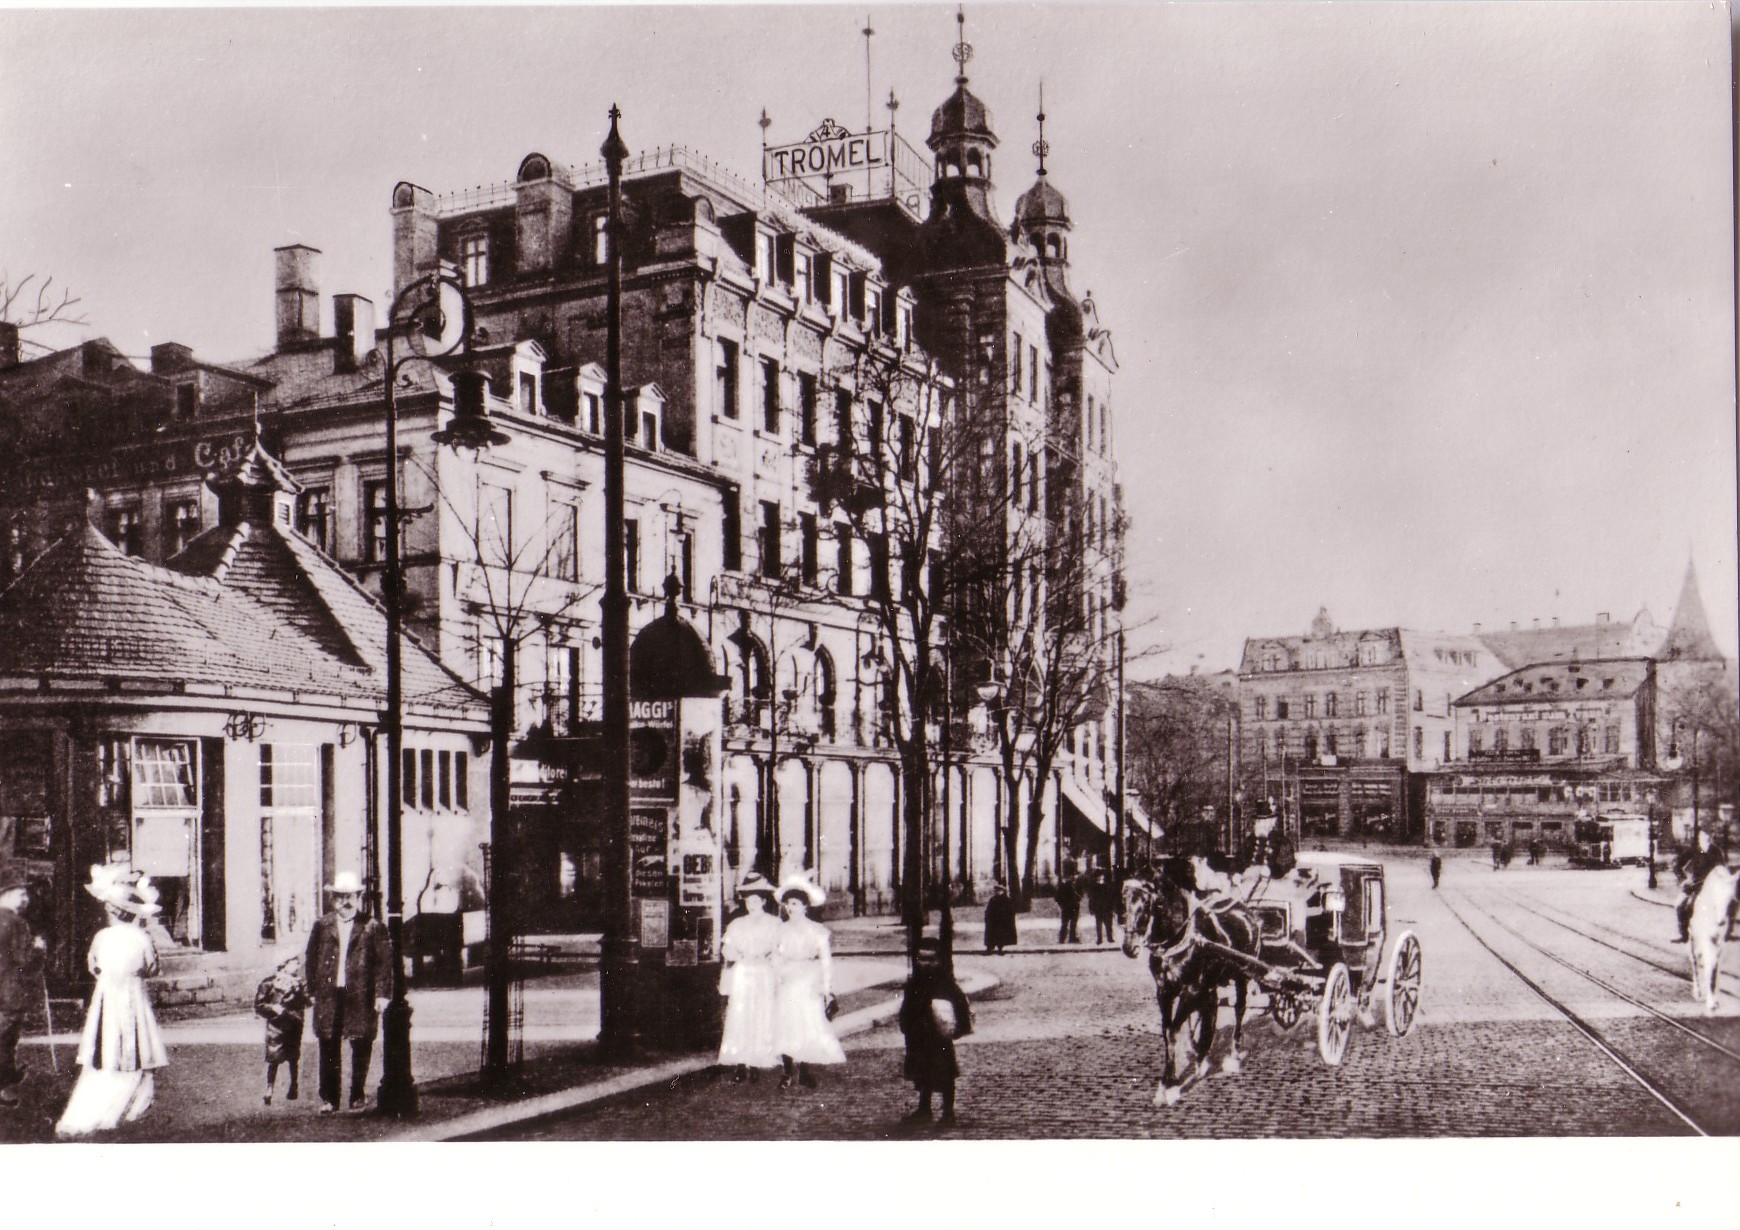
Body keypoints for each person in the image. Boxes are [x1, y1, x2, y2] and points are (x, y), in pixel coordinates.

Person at [55, 865, 169, 1137]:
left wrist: (108, 974)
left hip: (107, 991)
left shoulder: (101, 937)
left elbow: (93, 967)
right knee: (134, 1030)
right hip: (132, 990)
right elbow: (152, 968)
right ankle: (128, 1081)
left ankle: (108, 1065)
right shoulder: (142, 937)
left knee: (106, 1030)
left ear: (112, 912)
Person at [303, 870, 392, 1114]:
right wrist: (311, 990)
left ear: (359, 896)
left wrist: (382, 995)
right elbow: (310, 959)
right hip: (330, 995)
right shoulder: (322, 925)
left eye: (350, 895)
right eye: (340, 896)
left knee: (361, 1043)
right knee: (328, 1045)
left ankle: (357, 1096)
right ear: (333, 899)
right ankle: (329, 1099)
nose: (345, 901)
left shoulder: (372, 927)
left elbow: (384, 963)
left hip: (360, 995)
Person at [771, 873, 845, 1089]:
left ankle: (804, 1070)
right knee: (785, 1022)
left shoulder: (816, 930)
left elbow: (825, 961)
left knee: (806, 1022)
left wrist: (826, 988)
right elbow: (775, 953)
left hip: (808, 978)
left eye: (795, 904)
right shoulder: (780, 930)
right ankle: (786, 1071)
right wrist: (779, 972)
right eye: (788, 904)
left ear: (805, 906)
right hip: (787, 978)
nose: (790, 908)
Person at [899, 937, 972, 1128]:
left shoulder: (946, 984)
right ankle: (924, 1108)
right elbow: (907, 1008)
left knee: (945, 1073)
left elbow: (960, 1006)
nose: (927, 964)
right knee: (921, 1073)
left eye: (931, 959)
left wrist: (957, 1029)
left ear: (939, 961)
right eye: (922, 959)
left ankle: (948, 1112)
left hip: (938, 1039)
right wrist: (906, 1026)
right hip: (918, 1038)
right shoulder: (914, 984)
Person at [717, 871, 782, 1082]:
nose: (751, 904)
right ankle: (740, 1063)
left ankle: (756, 1062)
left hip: (763, 972)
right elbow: (727, 950)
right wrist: (740, 955)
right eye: (748, 901)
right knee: (740, 1014)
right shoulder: (737, 924)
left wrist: (769, 958)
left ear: (763, 901)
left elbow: (780, 949)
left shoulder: (774, 924)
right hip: (744, 972)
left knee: (761, 1013)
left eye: (755, 900)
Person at [0, 864, 46, 1110]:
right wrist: (39, 949)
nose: (26, 899)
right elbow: (26, 963)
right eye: (21, 893)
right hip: (9, 994)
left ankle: (8, 1079)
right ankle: (5, 1088)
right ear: (5, 894)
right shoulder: (16, 924)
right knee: (5, 1041)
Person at [254, 954, 309, 1105]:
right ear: (283, 964)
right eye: (293, 963)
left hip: (294, 1023)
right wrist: (273, 1008)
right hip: (276, 1024)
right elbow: (259, 1005)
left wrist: (301, 993)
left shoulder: (299, 983)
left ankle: (294, 1085)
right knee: (274, 1056)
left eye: (297, 964)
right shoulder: (269, 983)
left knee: (293, 1056)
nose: (297, 967)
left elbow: (307, 1001)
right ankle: (269, 1089)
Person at [1673, 831, 1729, 943]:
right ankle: (1684, 935)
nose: (1706, 838)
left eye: (1708, 836)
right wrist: (1684, 879)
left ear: (1711, 837)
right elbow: (1677, 864)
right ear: (1699, 837)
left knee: (1697, 906)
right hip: (1693, 883)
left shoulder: (1715, 851)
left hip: (1709, 885)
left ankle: (1717, 933)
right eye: (1703, 836)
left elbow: (1721, 868)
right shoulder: (1694, 850)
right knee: (1679, 904)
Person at [982, 882, 1018, 955]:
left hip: (1002, 922)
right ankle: (989, 949)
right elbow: (989, 910)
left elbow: (1011, 911)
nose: (997, 892)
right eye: (996, 890)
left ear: (1002, 891)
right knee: (991, 936)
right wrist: (987, 917)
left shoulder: (1006, 900)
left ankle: (1000, 949)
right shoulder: (993, 899)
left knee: (1001, 936)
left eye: (998, 890)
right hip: (993, 922)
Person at [1088, 872, 1118, 945]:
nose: (1100, 879)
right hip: (1099, 908)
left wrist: (1112, 907)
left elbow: (1112, 898)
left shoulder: (1107, 886)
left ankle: (1109, 938)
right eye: (1099, 878)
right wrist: (1091, 909)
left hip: (1105, 908)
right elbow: (1091, 899)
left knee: (1108, 924)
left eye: (1101, 877)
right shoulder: (1094, 887)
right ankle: (1100, 939)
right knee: (1099, 924)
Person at [1055, 875, 1081, 944]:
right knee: (1068, 924)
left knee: (1069, 924)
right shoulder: (1069, 886)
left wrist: (1061, 905)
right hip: (1070, 907)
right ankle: (1069, 938)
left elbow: (1057, 898)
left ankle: (1064, 938)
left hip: (1069, 907)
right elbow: (1058, 897)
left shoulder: (1074, 885)